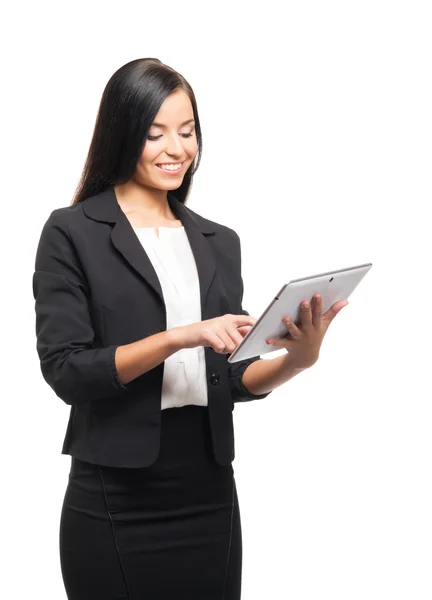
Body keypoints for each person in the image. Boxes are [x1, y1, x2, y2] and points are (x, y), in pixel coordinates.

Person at [32, 57, 348, 600]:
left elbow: (229, 377)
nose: (176, 148)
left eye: (187, 131)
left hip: (208, 490)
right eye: (155, 133)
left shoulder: (219, 242)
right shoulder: (72, 232)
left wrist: (298, 360)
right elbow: (67, 372)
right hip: (115, 493)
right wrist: (181, 335)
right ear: (122, 132)